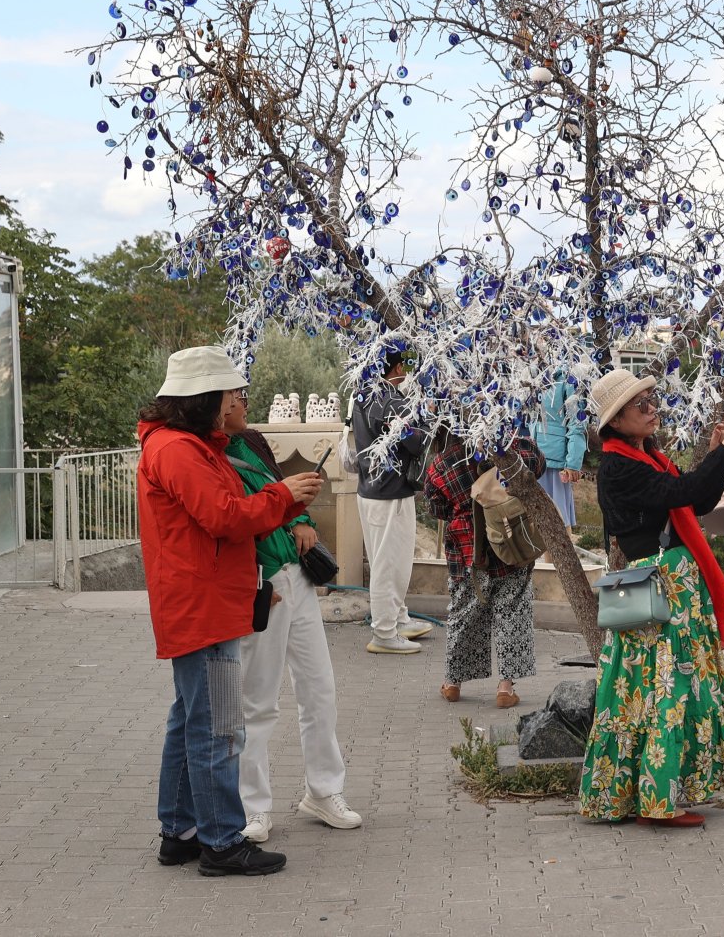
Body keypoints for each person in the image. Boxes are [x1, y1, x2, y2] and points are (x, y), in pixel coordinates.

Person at [137, 346, 321, 877]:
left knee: (190, 717)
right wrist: (284, 495)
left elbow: (230, 516)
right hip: (204, 605)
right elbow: (225, 518)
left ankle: (182, 831)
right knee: (218, 724)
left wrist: (286, 501)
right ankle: (221, 841)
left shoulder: (184, 444)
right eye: (226, 394)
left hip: (200, 601)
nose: (233, 403)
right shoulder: (179, 450)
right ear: (201, 399)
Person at [578, 370, 724, 828]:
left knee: (657, 690)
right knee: (665, 691)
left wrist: (718, 452)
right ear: (615, 421)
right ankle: (659, 801)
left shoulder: (644, 457)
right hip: (659, 586)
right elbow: (689, 493)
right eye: (641, 405)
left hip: (668, 584)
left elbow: (693, 499)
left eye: (653, 400)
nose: (652, 409)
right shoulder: (621, 466)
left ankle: (645, 794)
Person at [220, 391, 361, 844]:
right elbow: (229, 521)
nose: (245, 401)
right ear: (217, 403)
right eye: (237, 396)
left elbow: (278, 500)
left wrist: (302, 521)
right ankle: (251, 807)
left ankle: (324, 790)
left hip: (293, 578)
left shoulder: (254, 440)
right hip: (261, 586)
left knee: (319, 688)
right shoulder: (208, 453)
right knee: (257, 702)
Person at [424, 433, 546, 708]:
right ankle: (505, 688)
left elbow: (435, 506)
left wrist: (464, 509)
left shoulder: (443, 462)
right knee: (512, 611)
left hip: (467, 550)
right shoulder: (511, 447)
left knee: (464, 613)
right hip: (509, 542)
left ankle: (453, 683)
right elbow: (538, 466)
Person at [352, 349, 431, 654]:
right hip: (391, 493)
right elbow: (416, 440)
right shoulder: (390, 399)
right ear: (397, 367)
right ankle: (384, 633)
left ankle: (398, 618)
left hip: (370, 489)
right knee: (391, 566)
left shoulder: (363, 394)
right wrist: (425, 415)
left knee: (381, 560)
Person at [531, 374, 587, 527]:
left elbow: (577, 421)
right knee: (536, 524)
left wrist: (573, 462)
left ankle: (563, 551)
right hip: (531, 458)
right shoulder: (530, 369)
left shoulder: (567, 376)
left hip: (556, 462)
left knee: (558, 521)